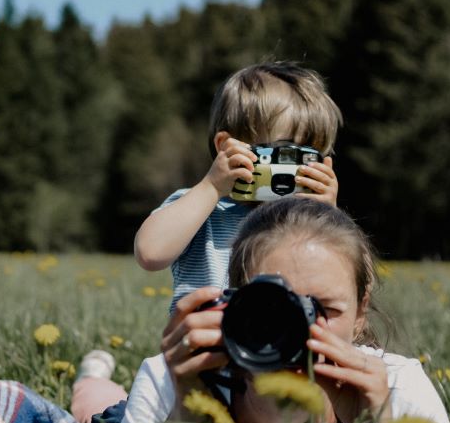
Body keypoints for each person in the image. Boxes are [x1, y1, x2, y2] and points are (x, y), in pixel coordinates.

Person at [83, 197, 450, 423]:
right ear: (234, 304)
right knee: (91, 415)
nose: (296, 329)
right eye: (275, 309)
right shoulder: (174, 380)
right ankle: (92, 380)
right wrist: (187, 413)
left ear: (361, 311)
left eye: (321, 311)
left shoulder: (397, 385)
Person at [134, 62, 343, 314]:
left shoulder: (309, 222)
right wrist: (211, 187)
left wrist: (329, 219)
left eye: (311, 156)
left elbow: (347, 292)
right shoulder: (202, 209)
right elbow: (150, 253)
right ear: (227, 147)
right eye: (286, 152)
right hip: (205, 346)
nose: (299, 168)